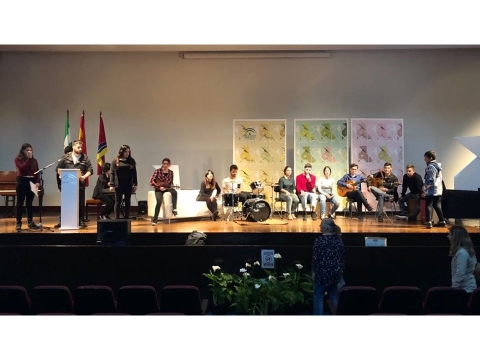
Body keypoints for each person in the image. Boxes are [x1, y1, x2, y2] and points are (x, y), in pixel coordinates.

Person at [56, 139, 93, 228]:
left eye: (81, 147)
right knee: (66, 202)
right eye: (78, 147)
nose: (80, 149)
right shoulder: (65, 157)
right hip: (67, 184)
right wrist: (61, 175)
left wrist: (84, 177)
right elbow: (58, 169)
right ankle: (62, 220)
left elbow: (90, 170)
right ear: (73, 147)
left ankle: (81, 220)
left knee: (80, 203)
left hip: (80, 184)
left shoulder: (85, 158)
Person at [312, 218, 345, 315]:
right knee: (333, 296)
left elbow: (315, 258)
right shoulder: (338, 241)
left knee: (318, 297)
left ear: (325, 229)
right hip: (335, 274)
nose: (319, 227)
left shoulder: (319, 241)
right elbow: (342, 258)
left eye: (320, 225)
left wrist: (313, 272)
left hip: (321, 274)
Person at [14, 143, 40, 231]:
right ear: (23, 151)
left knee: (29, 203)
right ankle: (18, 223)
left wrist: (37, 182)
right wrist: (28, 159)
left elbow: (37, 172)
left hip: (31, 182)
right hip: (22, 181)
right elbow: (23, 168)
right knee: (20, 203)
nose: (29, 152)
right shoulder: (18, 159)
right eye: (27, 150)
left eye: (31, 150)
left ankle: (30, 222)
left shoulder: (34, 161)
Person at [109, 145, 138, 220]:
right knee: (118, 201)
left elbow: (134, 173)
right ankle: (117, 218)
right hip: (119, 184)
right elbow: (112, 172)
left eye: (128, 151)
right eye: (126, 151)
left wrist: (136, 183)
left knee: (128, 201)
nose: (127, 153)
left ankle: (127, 218)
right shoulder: (115, 161)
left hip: (128, 184)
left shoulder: (131, 161)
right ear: (122, 151)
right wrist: (111, 184)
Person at [448, 226, 477, 293]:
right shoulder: (465, 251)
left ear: (456, 237)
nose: (448, 237)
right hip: (467, 288)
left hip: (464, 290)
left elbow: (460, 273)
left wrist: (453, 288)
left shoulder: (461, 253)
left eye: (450, 235)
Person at [149, 157, 178, 225]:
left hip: (167, 188)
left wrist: (169, 187)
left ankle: (174, 209)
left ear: (169, 165)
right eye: (164, 163)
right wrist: (159, 187)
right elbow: (151, 181)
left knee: (174, 192)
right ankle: (155, 220)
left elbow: (170, 182)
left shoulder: (171, 172)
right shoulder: (157, 171)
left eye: (167, 164)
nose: (165, 165)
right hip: (159, 188)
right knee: (159, 201)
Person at [422, 150, 446, 228]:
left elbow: (431, 179)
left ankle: (429, 221)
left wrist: (426, 188)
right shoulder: (437, 166)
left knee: (428, 205)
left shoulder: (431, 167)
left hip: (432, 189)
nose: (424, 159)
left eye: (425, 158)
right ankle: (442, 221)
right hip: (438, 189)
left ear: (430, 158)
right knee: (436, 205)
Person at [54, 145, 73, 229]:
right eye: (67, 154)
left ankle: (77, 220)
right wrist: (59, 186)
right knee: (65, 204)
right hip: (65, 185)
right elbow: (57, 174)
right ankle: (62, 221)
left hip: (75, 186)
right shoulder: (62, 161)